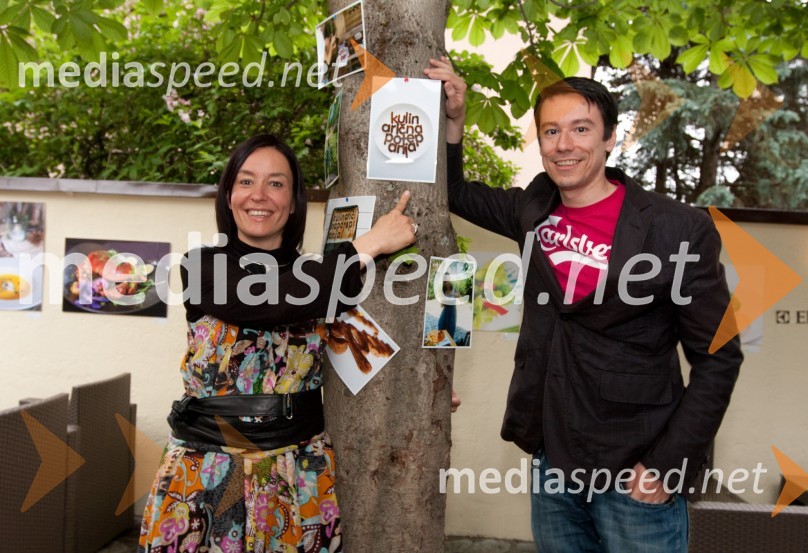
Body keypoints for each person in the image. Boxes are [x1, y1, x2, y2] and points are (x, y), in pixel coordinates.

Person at [425, 58, 742, 552]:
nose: (564, 144)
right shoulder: (530, 210)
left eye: (580, 128)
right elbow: (453, 191)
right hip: (553, 462)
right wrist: (453, 123)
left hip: (636, 465)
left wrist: (665, 467)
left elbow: (719, 356)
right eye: (551, 131)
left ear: (609, 138)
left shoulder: (677, 228)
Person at [138, 134, 416, 552]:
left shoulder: (324, 276)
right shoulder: (202, 266)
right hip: (208, 470)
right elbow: (270, 301)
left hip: (297, 474)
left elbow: (359, 348)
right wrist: (368, 244)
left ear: (294, 199)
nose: (260, 196)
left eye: (276, 183)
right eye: (246, 181)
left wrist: (422, 386)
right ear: (228, 195)